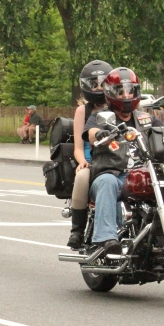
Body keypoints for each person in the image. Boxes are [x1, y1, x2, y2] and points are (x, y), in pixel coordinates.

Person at [86, 67, 163, 256]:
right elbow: (90, 133)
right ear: (111, 93)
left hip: (144, 177)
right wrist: (101, 133)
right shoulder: (101, 117)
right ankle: (106, 238)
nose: (127, 95)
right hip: (115, 175)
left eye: (131, 90)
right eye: (121, 91)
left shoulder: (145, 118)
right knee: (107, 182)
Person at [67, 59, 111, 249]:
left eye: (103, 83)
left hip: (117, 159)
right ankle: (77, 230)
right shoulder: (82, 111)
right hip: (91, 159)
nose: (99, 87)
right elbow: (78, 146)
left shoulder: (119, 107)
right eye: (94, 83)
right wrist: (83, 162)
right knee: (82, 177)